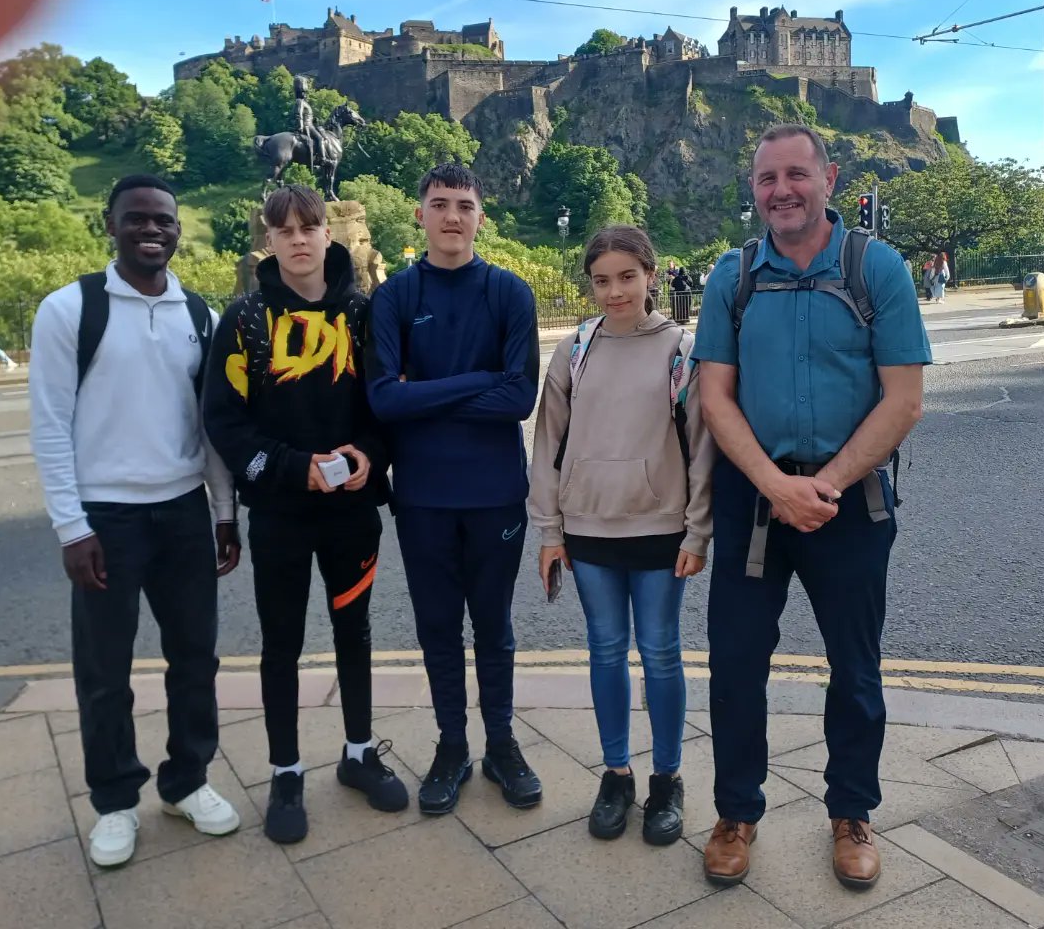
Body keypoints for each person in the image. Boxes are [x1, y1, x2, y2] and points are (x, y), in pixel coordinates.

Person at [691, 125, 930, 890]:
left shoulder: (876, 268)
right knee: (734, 665)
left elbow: (905, 400)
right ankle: (736, 813)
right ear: (753, 189)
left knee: (855, 668)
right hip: (754, 498)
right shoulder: (732, 278)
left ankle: (852, 812)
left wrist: (820, 484)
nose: (782, 190)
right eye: (767, 179)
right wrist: (773, 484)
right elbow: (713, 398)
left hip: (848, 499)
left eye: (797, 174)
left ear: (829, 177)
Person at [29, 174, 242, 869]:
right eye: (137, 219)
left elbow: (208, 426)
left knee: (194, 659)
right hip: (106, 517)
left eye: (164, 221)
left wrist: (223, 512)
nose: (152, 230)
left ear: (179, 231)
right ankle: (116, 801)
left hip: (182, 510)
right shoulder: (71, 309)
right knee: (103, 669)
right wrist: (71, 527)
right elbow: (51, 425)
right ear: (110, 223)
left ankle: (188, 781)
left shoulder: (198, 314)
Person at [203, 184, 407, 845]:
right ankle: (285, 771)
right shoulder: (244, 321)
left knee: (356, 633)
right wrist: (295, 469)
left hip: (352, 514)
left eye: (308, 226)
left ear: (328, 235)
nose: (297, 238)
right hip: (282, 515)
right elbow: (224, 422)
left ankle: (357, 754)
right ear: (268, 240)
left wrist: (370, 455)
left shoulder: (365, 315)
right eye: (283, 229)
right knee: (281, 644)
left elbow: (388, 408)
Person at [528, 225, 715, 846]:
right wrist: (549, 530)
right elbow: (547, 445)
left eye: (627, 277)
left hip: (661, 529)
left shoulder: (682, 350)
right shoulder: (574, 350)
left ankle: (667, 780)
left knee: (661, 652)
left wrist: (698, 532)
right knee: (605, 651)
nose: (614, 291)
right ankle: (616, 774)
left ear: (651, 278)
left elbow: (702, 449)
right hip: (588, 528)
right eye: (602, 280)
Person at [365, 162, 542, 816]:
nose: (451, 217)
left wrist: (426, 396)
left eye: (464, 205)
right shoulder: (395, 298)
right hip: (424, 496)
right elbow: (384, 399)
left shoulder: (509, 293)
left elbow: (519, 396)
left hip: (495, 490)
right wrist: (476, 381)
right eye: (439, 203)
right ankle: (451, 746)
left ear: (479, 217)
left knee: (493, 626)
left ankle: (500, 743)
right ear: (420, 213)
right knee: (438, 628)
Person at [292, 75, 325, 173]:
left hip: (310, 124)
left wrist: (314, 120)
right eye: (303, 92)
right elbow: (298, 114)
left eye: (305, 93)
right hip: (307, 126)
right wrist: (301, 126)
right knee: (320, 138)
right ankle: (322, 159)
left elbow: (307, 115)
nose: (305, 94)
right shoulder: (300, 102)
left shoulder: (303, 102)